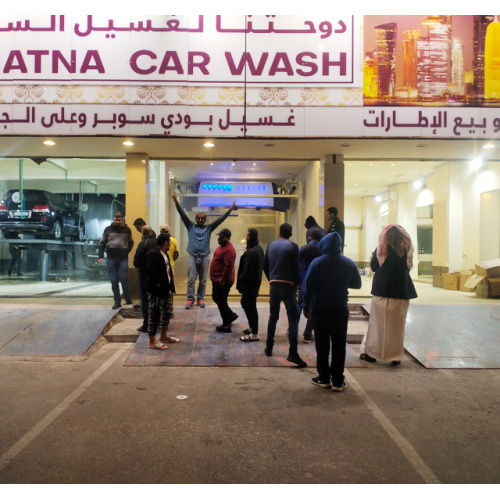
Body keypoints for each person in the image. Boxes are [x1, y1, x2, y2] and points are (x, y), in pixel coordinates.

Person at [302, 232, 362, 391]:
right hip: (340, 309)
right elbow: (357, 284)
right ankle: (338, 380)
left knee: (322, 344)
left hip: (320, 308)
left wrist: (305, 306)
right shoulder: (348, 263)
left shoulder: (317, 263)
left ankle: (323, 378)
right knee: (339, 344)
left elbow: (307, 287)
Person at [359, 224, 417, 366]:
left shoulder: (381, 249)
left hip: (383, 292)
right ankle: (395, 356)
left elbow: (373, 266)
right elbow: (408, 269)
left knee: (377, 325)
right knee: (397, 327)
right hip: (402, 293)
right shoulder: (407, 249)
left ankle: (372, 353)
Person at [172, 192, 237, 309]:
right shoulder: (190, 226)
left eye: (202, 218)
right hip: (192, 255)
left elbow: (219, 220)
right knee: (191, 279)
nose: (200, 219)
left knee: (203, 280)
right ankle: (190, 299)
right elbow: (182, 215)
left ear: (205, 220)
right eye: (199, 218)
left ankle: (200, 299)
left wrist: (230, 209)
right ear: (196, 219)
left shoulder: (209, 228)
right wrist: (176, 202)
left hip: (204, 257)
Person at [263, 223, 307, 368]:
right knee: (293, 319)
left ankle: (269, 348)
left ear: (280, 232)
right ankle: (293, 353)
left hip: (274, 285)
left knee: (273, 316)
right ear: (291, 234)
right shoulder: (293, 246)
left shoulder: (271, 245)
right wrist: (296, 283)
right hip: (288, 286)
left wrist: (271, 278)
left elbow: (265, 265)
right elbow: (296, 266)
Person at [145, 232, 179, 349]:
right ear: (166, 243)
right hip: (157, 291)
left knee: (167, 312)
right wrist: (158, 285)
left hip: (167, 289)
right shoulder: (153, 254)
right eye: (169, 242)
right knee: (155, 314)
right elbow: (150, 272)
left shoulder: (164, 253)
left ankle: (164, 336)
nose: (170, 243)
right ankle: (152, 340)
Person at [98, 211, 134, 309]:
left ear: (122, 219)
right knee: (114, 280)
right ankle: (117, 301)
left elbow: (131, 242)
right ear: (114, 219)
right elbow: (102, 243)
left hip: (123, 258)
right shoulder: (108, 229)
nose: (117, 221)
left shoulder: (127, 230)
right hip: (111, 258)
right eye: (116, 219)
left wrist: (127, 251)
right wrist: (100, 256)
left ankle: (128, 299)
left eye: (119, 219)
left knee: (123, 278)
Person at [237, 228, 264, 341]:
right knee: (245, 303)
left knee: (251, 307)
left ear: (249, 237)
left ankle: (254, 334)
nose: (246, 237)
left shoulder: (252, 252)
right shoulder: (258, 249)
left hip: (250, 285)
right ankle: (252, 327)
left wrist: (240, 280)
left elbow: (248, 271)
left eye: (247, 235)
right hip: (254, 283)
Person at [209, 228, 238, 333]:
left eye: (222, 237)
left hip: (222, 281)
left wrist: (222, 279)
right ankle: (230, 315)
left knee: (220, 300)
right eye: (219, 236)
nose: (219, 238)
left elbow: (228, 266)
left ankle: (226, 325)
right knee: (220, 300)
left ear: (228, 238)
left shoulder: (229, 250)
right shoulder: (222, 246)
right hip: (218, 278)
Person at [299, 228, 324, 343]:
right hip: (318, 282)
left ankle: (292, 327)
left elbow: (298, 265)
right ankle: (308, 333)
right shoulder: (323, 250)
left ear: (310, 237)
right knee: (313, 307)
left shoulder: (302, 249)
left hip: (303, 280)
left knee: (300, 305)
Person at [133, 225, 157, 332]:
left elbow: (136, 263)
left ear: (143, 234)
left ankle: (147, 324)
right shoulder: (158, 243)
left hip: (145, 276)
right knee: (156, 300)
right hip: (157, 276)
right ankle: (157, 323)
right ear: (152, 232)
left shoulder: (142, 244)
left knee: (145, 300)